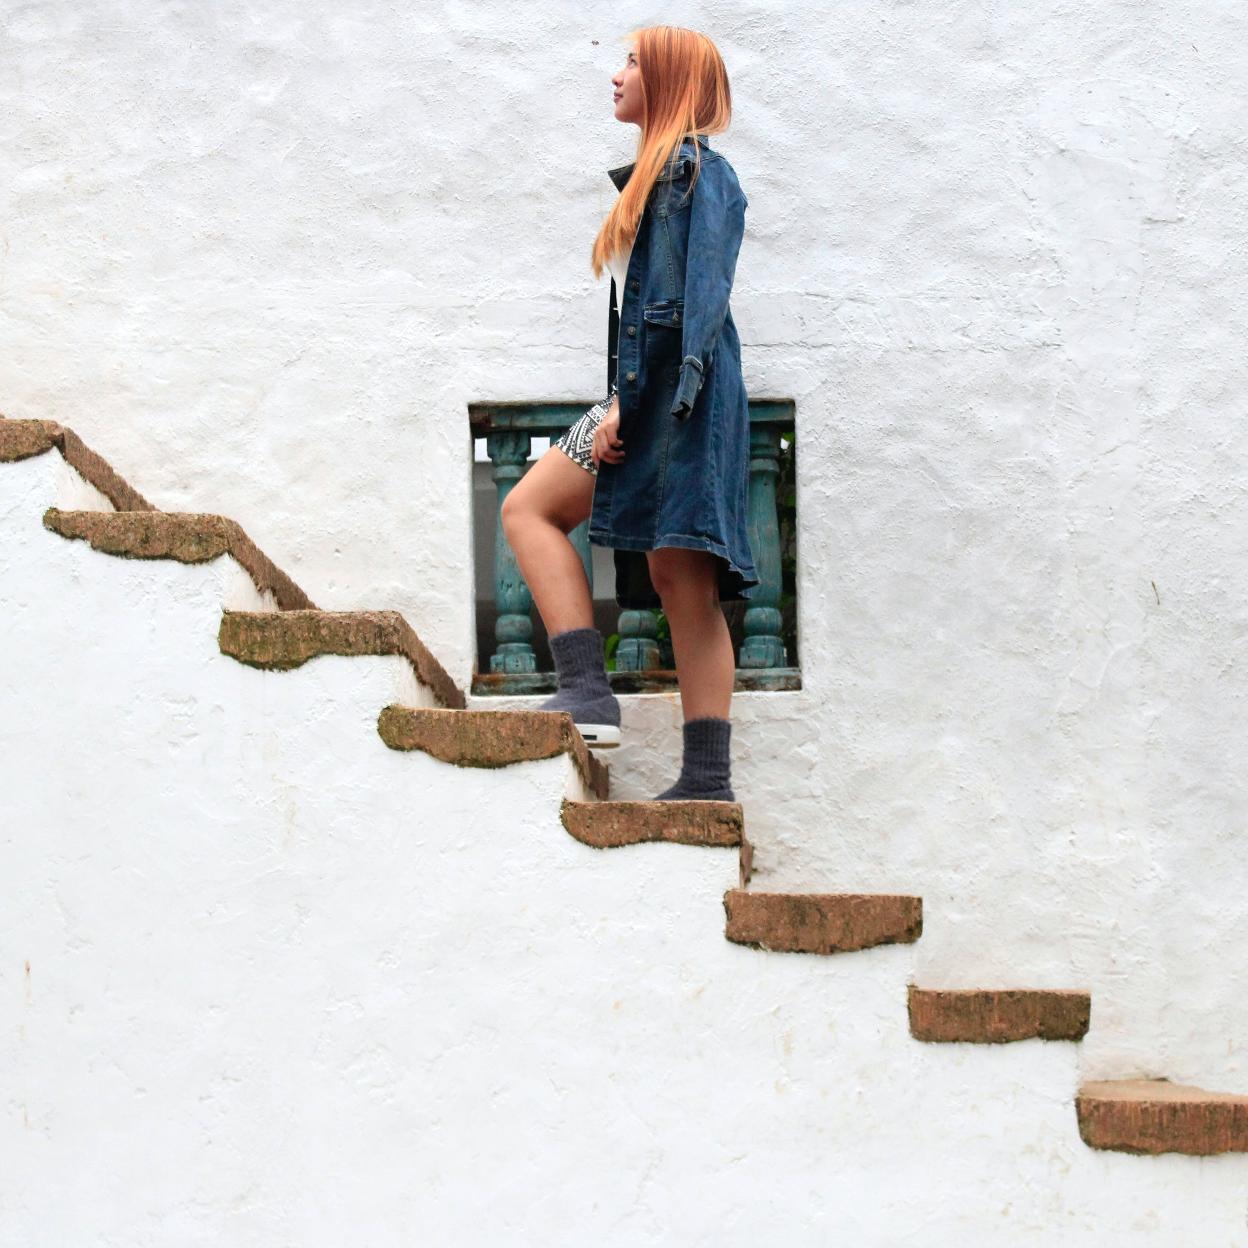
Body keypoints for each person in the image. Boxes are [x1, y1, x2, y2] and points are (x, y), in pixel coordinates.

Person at [501, 25, 756, 802]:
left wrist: (639, 406)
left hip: (681, 396)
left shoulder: (697, 176)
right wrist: (626, 399)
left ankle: (706, 779)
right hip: (649, 392)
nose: (615, 77)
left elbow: (694, 308)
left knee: (682, 577)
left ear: (671, 80)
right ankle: (586, 689)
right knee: (530, 508)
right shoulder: (653, 180)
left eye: (633, 64)